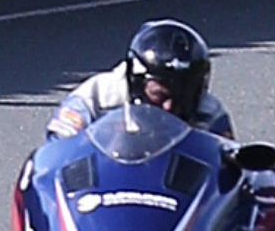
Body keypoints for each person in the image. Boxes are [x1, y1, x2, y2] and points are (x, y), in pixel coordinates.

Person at [48, 18, 233, 140]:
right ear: (137, 81)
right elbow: (55, 155)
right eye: (159, 95)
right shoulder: (94, 99)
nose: (168, 107)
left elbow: (233, 171)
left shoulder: (210, 112)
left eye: (182, 96)